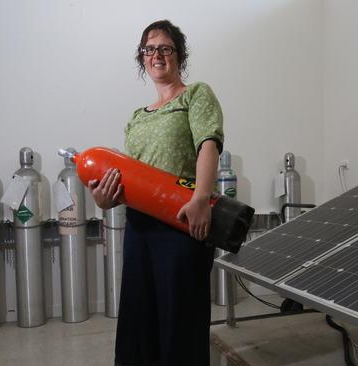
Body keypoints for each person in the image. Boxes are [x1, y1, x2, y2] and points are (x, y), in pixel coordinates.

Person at [88, 20, 223, 366]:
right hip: (139, 228)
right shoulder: (136, 118)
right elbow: (129, 179)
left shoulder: (195, 95)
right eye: (150, 49)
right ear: (142, 58)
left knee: (180, 320)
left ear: (179, 55)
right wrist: (105, 199)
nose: (157, 55)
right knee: (138, 317)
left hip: (182, 221)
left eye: (165, 48)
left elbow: (208, 144)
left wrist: (201, 200)